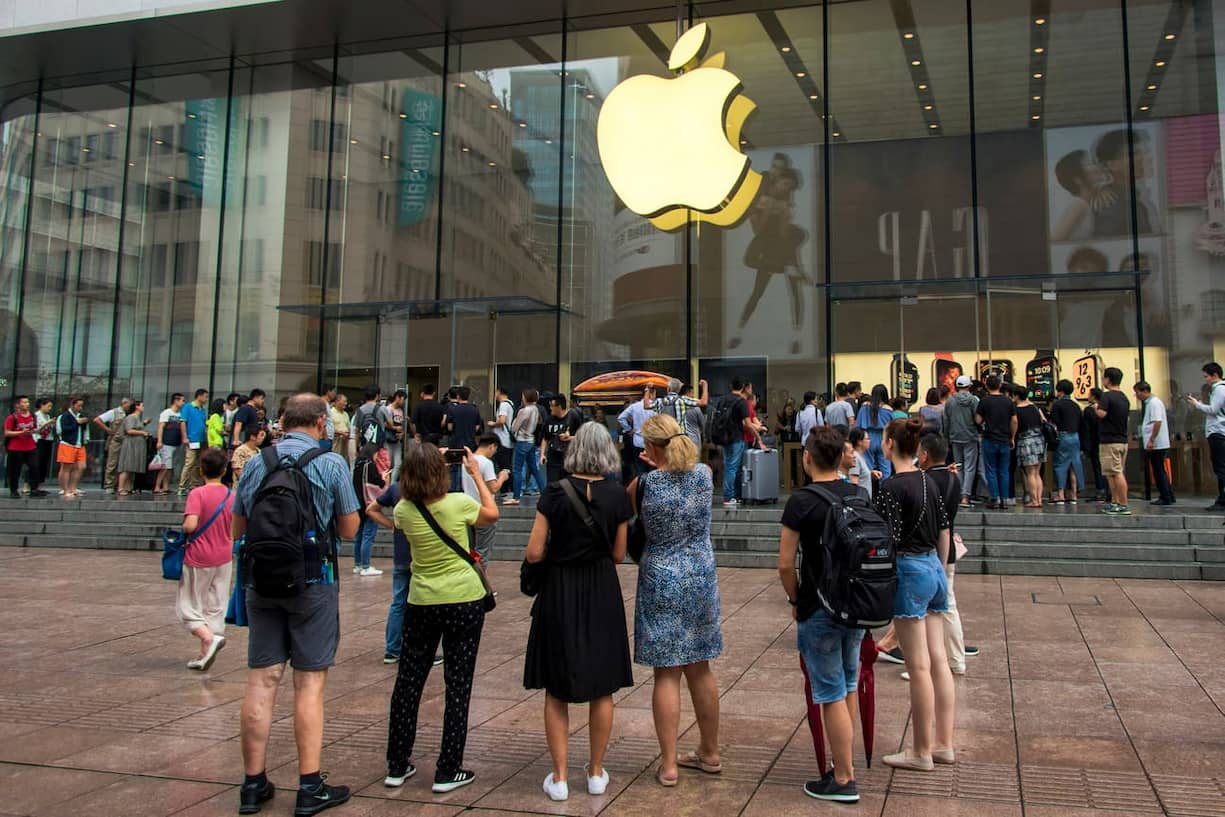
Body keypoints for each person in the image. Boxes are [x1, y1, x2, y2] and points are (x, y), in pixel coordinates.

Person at [232, 393, 360, 817]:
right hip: (313, 581)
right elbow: (348, 529)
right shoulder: (331, 464)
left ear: (282, 421)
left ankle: (253, 784)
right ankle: (309, 785)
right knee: (309, 683)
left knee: (262, 679)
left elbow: (238, 526)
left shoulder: (257, 463)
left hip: (261, 581)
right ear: (322, 422)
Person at [524, 422, 633, 801]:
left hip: (560, 588)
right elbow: (619, 554)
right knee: (602, 686)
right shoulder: (618, 494)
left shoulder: (555, 492)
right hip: (601, 589)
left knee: (556, 687)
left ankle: (559, 777)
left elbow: (534, 552)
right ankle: (597, 772)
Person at [384, 441, 498, 795]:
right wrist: (475, 474)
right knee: (458, 685)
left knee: (408, 682)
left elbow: (395, 510)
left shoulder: (403, 510)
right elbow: (491, 513)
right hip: (463, 599)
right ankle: (448, 768)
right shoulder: (458, 503)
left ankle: (397, 764)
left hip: (422, 600)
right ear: (440, 472)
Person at [630, 414, 722, 787]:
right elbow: (683, 474)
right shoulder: (704, 475)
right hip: (700, 574)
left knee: (666, 672)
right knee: (700, 667)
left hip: (661, 577)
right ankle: (710, 751)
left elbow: (628, 515)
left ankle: (668, 764)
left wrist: (653, 470)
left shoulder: (644, 484)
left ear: (652, 448)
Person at [777, 426, 864, 803]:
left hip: (819, 604)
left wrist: (796, 599)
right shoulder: (858, 494)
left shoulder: (801, 501)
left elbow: (785, 563)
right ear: (842, 457)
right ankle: (845, 762)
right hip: (856, 603)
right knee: (848, 684)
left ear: (808, 458)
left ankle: (843, 778)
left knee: (829, 691)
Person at [874, 418, 955, 772]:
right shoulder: (928, 480)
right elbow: (944, 530)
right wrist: (941, 570)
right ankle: (943, 744)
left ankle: (921, 751)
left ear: (890, 444)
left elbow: (886, 540)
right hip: (933, 567)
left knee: (918, 665)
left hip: (908, 570)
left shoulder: (891, 487)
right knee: (938, 661)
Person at [177, 447, 233, 671]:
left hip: (199, 555)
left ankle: (208, 638)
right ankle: (206, 650)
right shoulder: (231, 495)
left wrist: (183, 528)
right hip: (224, 555)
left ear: (201, 470)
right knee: (216, 604)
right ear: (225, 470)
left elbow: (191, 525)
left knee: (188, 604)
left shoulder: (197, 494)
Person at [364, 478, 420, 665]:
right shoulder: (429, 488)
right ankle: (417, 648)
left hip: (401, 554)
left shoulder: (397, 488)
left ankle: (393, 649)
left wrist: (393, 525)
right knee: (423, 604)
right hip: (422, 556)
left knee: (398, 603)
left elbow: (371, 509)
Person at [462, 434, 509, 563]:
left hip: (469, 509)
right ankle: (480, 574)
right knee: (482, 551)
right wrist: (502, 477)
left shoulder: (467, 461)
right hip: (484, 510)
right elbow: (493, 488)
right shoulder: (486, 463)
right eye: (495, 449)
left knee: (470, 549)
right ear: (492, 446)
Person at [1186, 362, 1225, 510]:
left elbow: (1214, 409)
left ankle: (1222, 500)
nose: (1205, 380)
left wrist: (1197, 404)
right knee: (1220, 467)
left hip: (1218, 432)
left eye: (1206, 376)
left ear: (1215, 375)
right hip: (1218, 431)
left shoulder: (1219, 389)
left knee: (1220, 468)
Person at [1094, 367, 1131, 515]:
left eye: (1104, 377)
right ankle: (1115, 502)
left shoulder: (1107, 396)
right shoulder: (1124, 397)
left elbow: (1101, 414)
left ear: (1108, 379)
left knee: (1116, 473)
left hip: (1110, 441)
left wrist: (1095, 408)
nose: (1103, 380)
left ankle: (1123, 504)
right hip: (1122, 440)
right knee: (1112, 473)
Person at [975, 376, 1016, 510]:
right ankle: (1005, 499)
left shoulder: (984, 401)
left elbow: (978, 420)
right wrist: (1012, 437)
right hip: (1005, 439)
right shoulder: (1008, 401)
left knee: (991, 470)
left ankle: (995, 498)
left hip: (989, 438)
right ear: (1000, 385)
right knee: (1004, 470)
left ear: (986, 386)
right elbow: (1014, 421)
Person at [352, 442, 391, 577]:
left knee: (359, 535)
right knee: (368, 535)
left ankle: (358, 564)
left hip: (358, 503)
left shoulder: (358, 465)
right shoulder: (370, 466)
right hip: (369, 504)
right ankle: (366, 566)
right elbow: (378, 483)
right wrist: (384, 478)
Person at [1134, 381, 1174, 506]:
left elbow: (1157, 422)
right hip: (1156, 442)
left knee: (1158, 470)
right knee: (1160, 469)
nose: (1137, 395)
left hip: (1157, 443)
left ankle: (1165, 496)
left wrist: (1152, 439)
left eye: (1138, 392)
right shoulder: (1151, 403)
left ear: (1145, 391)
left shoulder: (1154, 403)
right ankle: (1169, 495)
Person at [944, 375, 980, 507]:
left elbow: (946, 420)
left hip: (955, 436)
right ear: (969, 386)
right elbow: (978, 419)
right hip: (970, 436)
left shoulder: (950, 401)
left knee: (958, 466)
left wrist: (946, 436)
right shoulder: (974, 400)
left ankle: (960, 494)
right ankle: (966, 496)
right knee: (970, 467)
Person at [1010, 385, 1047, 508]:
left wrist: (1012, 438)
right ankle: (1039, 500)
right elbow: (1043, 420)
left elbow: (1015, 424)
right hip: (1039, 440)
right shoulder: (1035, 407)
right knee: (1037, 473)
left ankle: (1034, 500)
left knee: (1030, 473)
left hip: (1026, 441)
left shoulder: (1016, 410)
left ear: (1016, 396)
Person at [507, 388, 545, 505]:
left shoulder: (524, 411)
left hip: (522, 441)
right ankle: (544, 492)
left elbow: (514, 427)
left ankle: (516, 496)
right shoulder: (535, 409)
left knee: (517, 469)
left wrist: (514, 422)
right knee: (534, 469)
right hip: (531, 441)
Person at [718, 379, 752, 507]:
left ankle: (735, 495)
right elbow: (747, 423)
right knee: (732, 468)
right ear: (743, 387)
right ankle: (729, 496)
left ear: (730, 386)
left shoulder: (722, 400)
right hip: (737, 437)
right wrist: (758, 437)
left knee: (731, 466)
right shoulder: (741, 402)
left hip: (724, 437)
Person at [1050, 379, 1084, 504]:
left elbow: (1054, 422)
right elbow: (1081, 423)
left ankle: (1060, 494)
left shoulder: (1057, 405)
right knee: (1074, 465)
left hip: (1063, 436)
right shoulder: (1076, 406)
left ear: (1061, 391)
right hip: (1075, 437)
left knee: (1060, 465)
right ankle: (1073, 494)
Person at [541, 394, 583, 486]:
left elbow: (582, 436)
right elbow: (545, 437)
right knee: (552, 483)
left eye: (552, 406)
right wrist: (542, 454)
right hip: (553, 456)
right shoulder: (549, 420)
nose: (550, 408)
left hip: (568, 457)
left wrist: (569, 438)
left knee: (568, 484)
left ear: (559, 407)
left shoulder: (573, 417)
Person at [94, 397, 132, 493]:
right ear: (124, 403)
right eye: (129, 404)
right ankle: (109, 485)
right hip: (116, 441)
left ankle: (120, 485)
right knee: (112, 463)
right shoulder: (114, 412)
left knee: (123, 464)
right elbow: (97, 420)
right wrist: (108, 430)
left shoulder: (129, 414)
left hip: (126, 441)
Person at [855, 385, 893, 480]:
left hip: (867, 438)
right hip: (883, 438)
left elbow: (858, 425)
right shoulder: (888, 409)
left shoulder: (864, 406)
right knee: (886, 470)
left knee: (867, 468)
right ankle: (884, 487)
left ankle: (868, 487)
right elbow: (892, 428)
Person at [4, 396, 39, 498]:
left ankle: (33, 489)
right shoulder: (12, 417)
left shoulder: (32, 416)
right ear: (18, 405)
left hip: (30, 446)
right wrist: (21, 432)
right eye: (24, 402)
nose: (26, 404)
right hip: (16, 447)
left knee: (34, 467)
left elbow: (34, 428)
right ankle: (14, 490)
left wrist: (32, 431)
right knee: (15, 470)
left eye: (27, 402)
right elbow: (7, 432)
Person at [56, 396, 89, 499]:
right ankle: (65, 490)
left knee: (81, 466)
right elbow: (64, 430)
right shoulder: (65, 416)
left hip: (79, 444)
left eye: (81, 406)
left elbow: (84, 429)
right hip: (68, 443)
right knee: (66, 467)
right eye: (78, 406)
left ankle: (73, 488)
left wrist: (85, 437)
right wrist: (77, 422)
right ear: (72, 405)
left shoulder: (80, 415)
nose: (80, 408)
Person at [154, 394, 187, 496]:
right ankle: (157, 486)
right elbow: (161, 427)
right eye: (182, 400)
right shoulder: (167, 413)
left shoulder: (181, 414)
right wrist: (159, 441)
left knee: (170, 467)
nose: (183, 403)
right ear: (176, 401)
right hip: (166, 443)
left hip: (176, 443)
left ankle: (166, 486)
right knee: (166, 466)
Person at [617, 386, 655, 476]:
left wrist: (629, 430)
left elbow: (621, 418)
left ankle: (640, 483)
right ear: (651, 394)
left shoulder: (634, 406)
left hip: (638, 441)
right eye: (654, 394)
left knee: (640, 469)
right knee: (653, 469)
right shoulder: (656, 406)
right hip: (651, 442)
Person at [179, 388, 210, 495]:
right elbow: (183, 422)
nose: (206, 399)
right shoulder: (188, 407)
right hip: (192, 439)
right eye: (205, 397)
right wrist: (185, 437)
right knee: (189, 462)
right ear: (199, 396)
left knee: (198, 464)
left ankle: (194, 484)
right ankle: (182, 486)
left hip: (202, 440)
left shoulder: (202, 410)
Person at [116, 401, 150, 496]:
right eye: (142, 405)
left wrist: (144, 423)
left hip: (137, 444)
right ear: (136, 407)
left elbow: (137, 427)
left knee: (132, 467)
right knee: (127, 465)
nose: (143, 407)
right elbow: (129, 430)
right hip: (130, 444)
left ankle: (128, 487)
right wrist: (143, 433)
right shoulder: (131, 417)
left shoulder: (137, 418)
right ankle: (121, 488)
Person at [487, 386, 515, 496]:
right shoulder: (511, 403)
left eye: (496, 392)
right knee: (507, 465)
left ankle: (506, 490)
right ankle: (508, 489)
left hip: (503, 440)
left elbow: (502, 420)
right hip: (508, 440)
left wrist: (493, 424)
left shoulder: (503, 405)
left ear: (499, 392)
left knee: (504, 466)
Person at [1081, 388, 1108, 502]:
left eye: (1089, 394)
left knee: (1097, 467)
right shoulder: (1105, 408)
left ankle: (1100, 491)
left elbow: (1086, 430)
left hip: (1094, 442)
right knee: (1106, 468)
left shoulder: (1089, 410)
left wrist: (1085, 447)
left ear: (1093, 396)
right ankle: (1107, 491)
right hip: (1105, 441)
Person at [33, 398, 55, 494]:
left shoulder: (47, 416)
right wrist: (47, 423)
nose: (50, 408)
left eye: (51, 406)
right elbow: (36, 429)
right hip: (39, 440)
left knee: (44, 464)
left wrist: (51, 424)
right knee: (36, 463)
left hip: (48, 440)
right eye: (48, 406)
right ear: (42, 405)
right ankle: (29, 485)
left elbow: (49, 428)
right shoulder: (36, 415)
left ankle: (39, 486)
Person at [847, 427, 877, 499]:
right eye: (867, 439)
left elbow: (860, 475)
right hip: (860, 501)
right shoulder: (855, 457)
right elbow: (854, 483)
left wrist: (871, 473)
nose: (869, 441)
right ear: (859, 442)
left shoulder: (861, 456)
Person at [385, 389, 408, 473]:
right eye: (403, 399)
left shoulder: (400, 411)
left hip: (397, 440)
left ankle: (392, 481)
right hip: (388, 439)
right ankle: (386, 480)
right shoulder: (388, 409)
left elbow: (400, 425)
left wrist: (402, 433)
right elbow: (384, 423)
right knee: (388, 463)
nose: (403, 402)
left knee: (398, 464)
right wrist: (395, 428)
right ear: (397, 398)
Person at [330, 394, 351, 464]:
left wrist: (348, 434)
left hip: (345, 440)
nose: (346, 403)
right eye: (344, 401)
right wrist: (341, 433)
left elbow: (348, 427)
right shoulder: (331, 413)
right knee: (335, 459)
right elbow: (328, 429)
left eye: (346, 401)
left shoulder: (346, 414)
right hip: (336, 440)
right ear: (337, 401)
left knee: (344, 460)